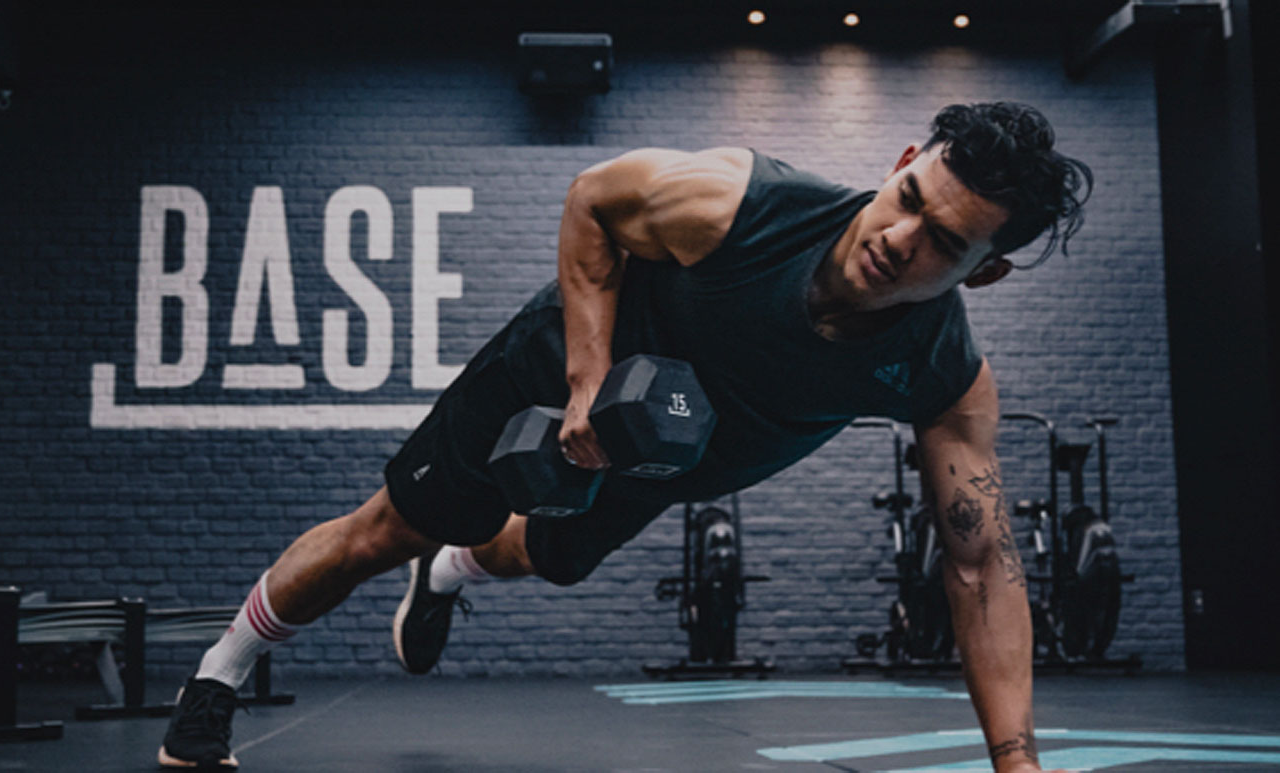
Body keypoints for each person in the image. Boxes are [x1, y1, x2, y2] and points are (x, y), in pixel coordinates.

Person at [157, 101, 1092, 773]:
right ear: (900, 161)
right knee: (383, 529)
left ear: (986, 274)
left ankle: (446, 574)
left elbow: (979, 566)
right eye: (911, 196)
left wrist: (1016, 764)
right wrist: (587, 378)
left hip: (667, 459)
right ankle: (218, 675)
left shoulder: (946, 376)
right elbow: (594, 198)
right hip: (551, 372)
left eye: (944, 241)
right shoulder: (741, 204)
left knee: (556, 556)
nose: (901, 234)